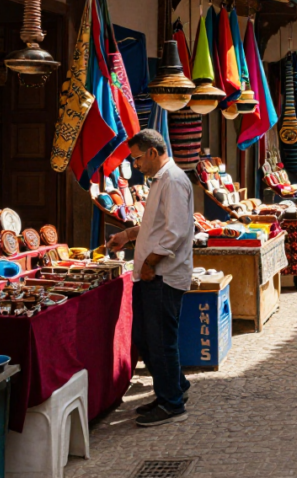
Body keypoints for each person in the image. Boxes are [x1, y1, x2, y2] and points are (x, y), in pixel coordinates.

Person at [107, 129, 194, 427]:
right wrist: (127, 236)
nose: (136, 165)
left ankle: (172, 405)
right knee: (147, 338)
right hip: (152, 275)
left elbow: (176, 231)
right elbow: (154, 225)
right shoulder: (160, 181)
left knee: (160, 340)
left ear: (153, 152)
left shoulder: (172, 180)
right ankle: (174, 388)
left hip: (163, 275)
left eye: (138, 158)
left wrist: (151, 263)